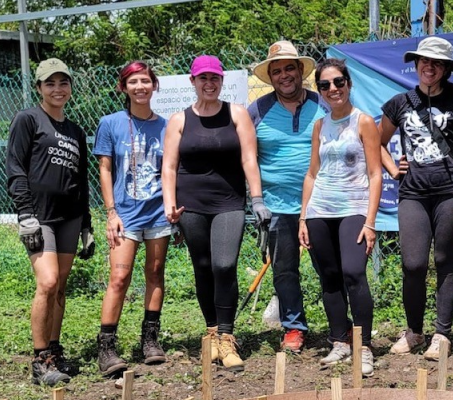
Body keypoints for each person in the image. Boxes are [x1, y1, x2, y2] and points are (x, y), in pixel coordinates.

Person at [161, 55, 269, 372]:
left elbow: (250, 159)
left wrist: (258, 199)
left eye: (215, 78)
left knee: (225, 264)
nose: (210, 84)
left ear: (221, 82)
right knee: (203, 266)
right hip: (190, 204)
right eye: (203, 78)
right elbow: (168, 167)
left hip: (228, 202)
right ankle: (211, 332)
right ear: (193, 82)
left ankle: (227, 336)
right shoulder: (179, 120)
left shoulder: (236, 115)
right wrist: (170, 205)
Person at [380, 36, 453, 360]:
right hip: (413, 193)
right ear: (416, 63)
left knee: (445, 260)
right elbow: (376, 142)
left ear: (446, 69)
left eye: (436, 62)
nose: (429, 66)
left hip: (451, 191)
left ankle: (442, 334)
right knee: (413, 264)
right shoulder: (399, 102)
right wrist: (393, 168)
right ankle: (414, 332)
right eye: (424, 60)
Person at [5, 57, 94, 387]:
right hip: (39, 217)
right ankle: (40, 360)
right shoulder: (27, 119)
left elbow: (81, 179)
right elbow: (16, 169)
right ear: (39, 88)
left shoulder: (75, 131)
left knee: (60, 287)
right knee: (47, 282)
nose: (58, 89)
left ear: (70, 87)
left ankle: (55, 352)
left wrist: (86, 224)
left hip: (70, 218)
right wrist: (25, 214)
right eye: (50, 83)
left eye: (63, 82)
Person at [299, 58, 382, 376]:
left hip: (354, 209)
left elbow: (376, 175)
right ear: (319, 90)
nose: (332, 89)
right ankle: (339, 341)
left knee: (353, 272)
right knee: (329, 277)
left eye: (338, 82)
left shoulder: (363, 122)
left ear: (348, 84)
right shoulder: (320, 125)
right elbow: (311, 174)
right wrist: (303, 218)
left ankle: (364, 347)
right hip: (320, 209)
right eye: (325, 85)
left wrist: (370, 222)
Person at [94, 61, 172, 377]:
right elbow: (105, 168)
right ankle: (107, 347)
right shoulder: (110, 123)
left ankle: (150, 341)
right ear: (123, 87)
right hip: (125, 215)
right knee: (119, 278)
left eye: (146, 81)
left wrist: (173, 210)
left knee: (155, 271)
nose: (140, 87)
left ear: (154, 86)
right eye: (133, 82)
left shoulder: (167, 126)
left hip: (157, 213)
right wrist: (111, 212)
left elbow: (170, 171)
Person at [248, 40, 322, 354]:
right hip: (275, 206)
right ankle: (293, 328)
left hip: (321, 203)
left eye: (289, 68)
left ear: (300, 70)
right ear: (271, 77)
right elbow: (246, 156)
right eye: (276, 71)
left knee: (330, 267)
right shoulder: (258, 110)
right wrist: (256, 200)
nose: (284, 75)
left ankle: (342, 327)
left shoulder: (324, 104)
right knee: (285, 270)